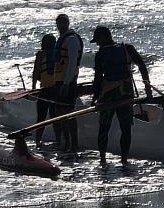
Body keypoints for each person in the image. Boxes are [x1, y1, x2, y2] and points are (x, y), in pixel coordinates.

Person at [90, 26, 153, 164]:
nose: (98, 44)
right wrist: (148, 90)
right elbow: (142, 66)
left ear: (104, 37)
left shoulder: (100, 54)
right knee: (126, 128)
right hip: (126, 93)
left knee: (104, 128)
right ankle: (124, 159)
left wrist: (95, 98)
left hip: (107, 96)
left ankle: (102, 159)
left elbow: (98, 78)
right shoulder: (127, 48)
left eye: (98, 41)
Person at [52, 14, 84, 152]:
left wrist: (66, 83)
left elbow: (71, 63)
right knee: (60, 113)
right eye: (58, 24)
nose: (60, 26)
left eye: (63, 23)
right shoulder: (62, 39)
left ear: (68, 23)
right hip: (59, 80)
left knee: (68, 113)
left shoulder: (71, 39)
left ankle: (73, 144)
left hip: (68, 81)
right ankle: (66, 143)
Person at [31, 34, 61, 146]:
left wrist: (33, 88)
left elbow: (36, 72)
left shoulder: (40, 54)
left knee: (41, 118)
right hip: (56, 89)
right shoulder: (58, 54)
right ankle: (59, 141)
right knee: (55, 117)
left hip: (45, 90)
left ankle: (37, 141)